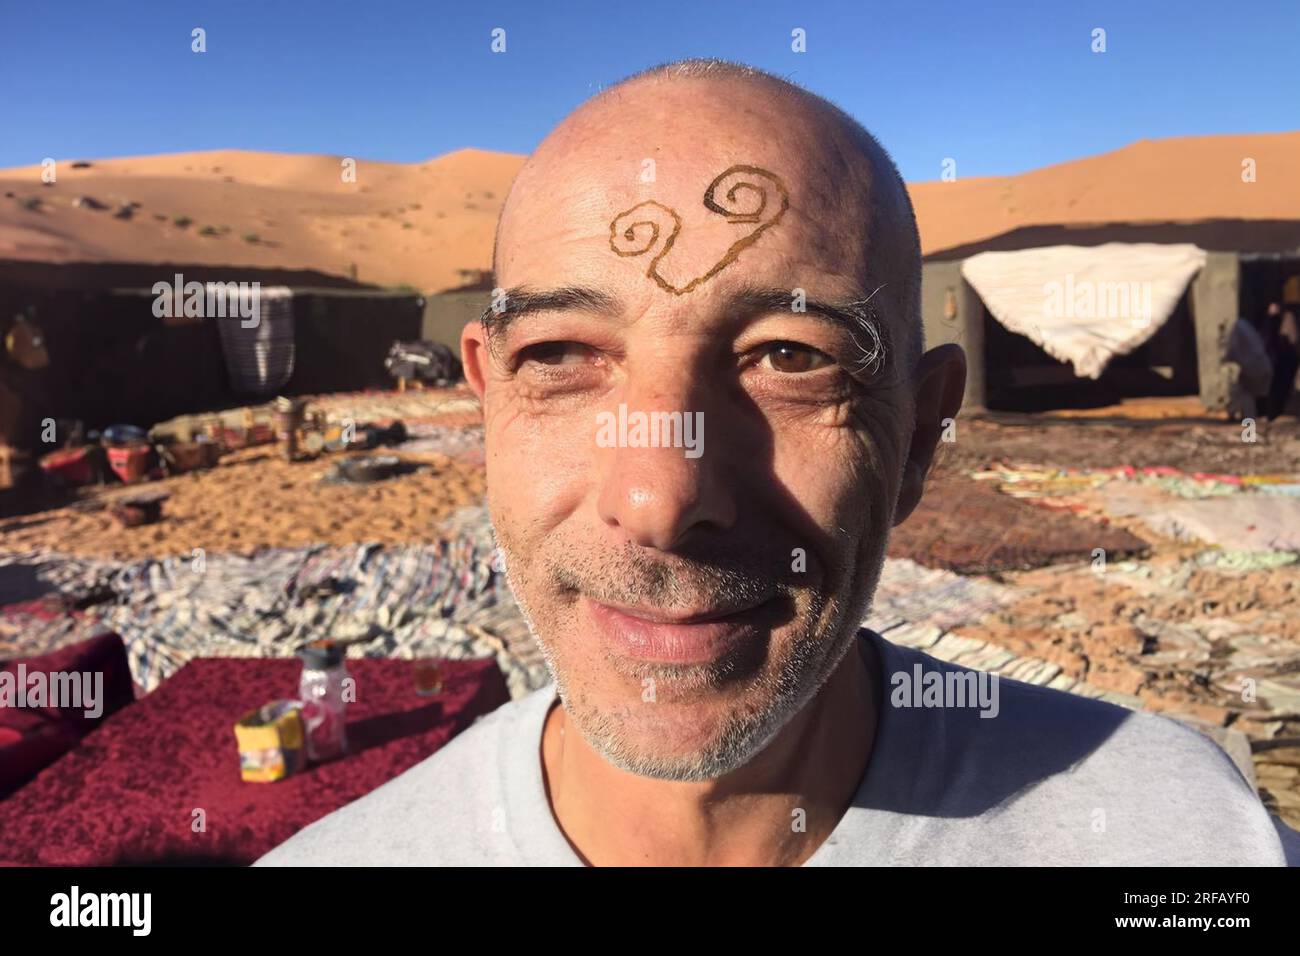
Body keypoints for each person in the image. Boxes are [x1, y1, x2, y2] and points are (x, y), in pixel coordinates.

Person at [258, 59, 1297, 866]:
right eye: (563, 356)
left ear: (920, 435)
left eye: (790, 359)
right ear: (485, 403)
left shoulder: (1184, 837)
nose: (661, 496)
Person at [1225, 316, 1272, 421]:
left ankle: (1243, 416)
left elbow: (1233, 350)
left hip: (1253, 368)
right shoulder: (1250, 331)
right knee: (1246, 391)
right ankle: (1247, 416)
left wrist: (1227, 358)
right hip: (1264, 366)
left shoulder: (1238, 330)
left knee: (1243, 391)